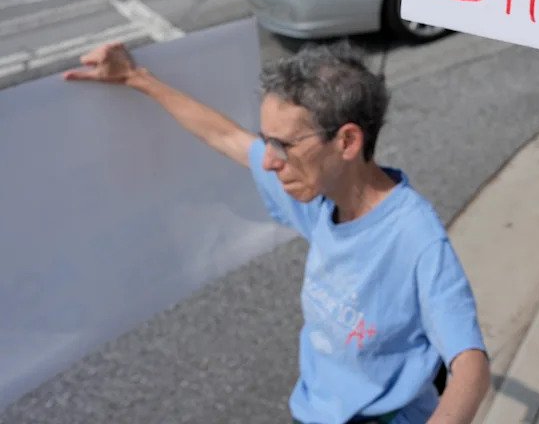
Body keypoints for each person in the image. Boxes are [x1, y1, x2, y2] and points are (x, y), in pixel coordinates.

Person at [65, 41, 491, 424]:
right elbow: (226, 136)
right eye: (268, 142)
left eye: (284, 145)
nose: (269, 161)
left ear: (347, 142)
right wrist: (136, 77)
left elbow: (470, 367)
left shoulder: (416, 237)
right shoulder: (321, 198)